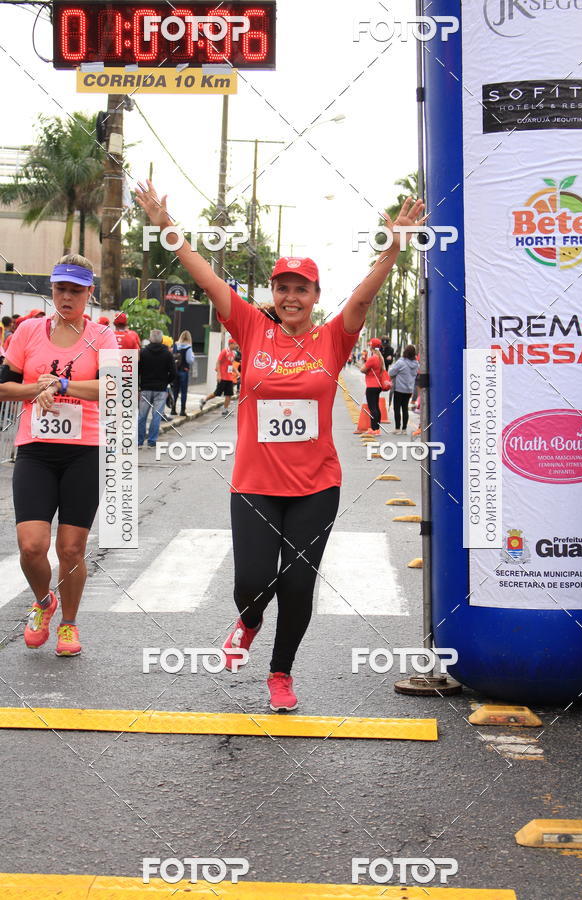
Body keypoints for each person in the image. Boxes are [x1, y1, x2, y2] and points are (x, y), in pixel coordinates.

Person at [136, 180, 425, 711]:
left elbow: (363, 296)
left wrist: (392, 249)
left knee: (296, 586)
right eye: (283, 288)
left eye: (302, 289)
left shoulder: (332, 338)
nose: (291, 297)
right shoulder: (250, 327)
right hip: (254, 484)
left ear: (315, 297)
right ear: (273, 293)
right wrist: (167, 229)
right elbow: (205, 275)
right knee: (252, 581)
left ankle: (281, 673)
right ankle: (247, 621)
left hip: (317, 485)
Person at [0, 254, 118, 656]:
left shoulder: (102, 336)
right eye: (60, 288)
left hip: (84, 451)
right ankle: (44, 602)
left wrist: (63, 383)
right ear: (51, 289)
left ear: (89, 294)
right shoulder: (29, 330)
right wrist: (39, 389)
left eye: (76, 290)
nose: (67, 296)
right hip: (35, 450)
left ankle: (68, 624)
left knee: (70, 548)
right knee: (31, 544)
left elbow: (112, 388)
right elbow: (4, 387)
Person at [138, 328, 176, 447]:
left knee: (142, 415)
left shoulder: (143, 352)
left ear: (150, 339)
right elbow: (173, 372)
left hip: (145, 388)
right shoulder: (167, 354)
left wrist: (139, 384)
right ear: (162, 340)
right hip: (161, 389)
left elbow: (137, 370)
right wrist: (166, 382)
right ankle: (152, 441)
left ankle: (139, 441)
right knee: (156, 415)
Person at [201, 338, 237, 417]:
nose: (236, 346)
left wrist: (237, 372)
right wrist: (219, 375)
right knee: (217, 393)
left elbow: (231, 365)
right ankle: (204, 400)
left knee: (229, 394)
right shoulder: (224, 351)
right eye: (235, 344)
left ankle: (225, 410)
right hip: (223, 377)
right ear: (230, 344)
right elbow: (218, 362)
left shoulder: (234, 353)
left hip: (229, 377)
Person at [389, 344, 419, 434]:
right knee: (405, 408)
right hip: (409, 390)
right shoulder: (416, 364)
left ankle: (397, 428)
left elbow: (391, 372)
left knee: (397, 408)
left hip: (399, 389)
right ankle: (404, 429)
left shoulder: (401, 362)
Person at [360, 337, 386, 435]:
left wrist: (366, 370)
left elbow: (362, 369)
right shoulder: (380, 358)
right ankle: (377, 428)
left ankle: (373, 429)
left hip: (371, 386)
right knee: (376, 407)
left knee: (372, 408)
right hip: (378, 385)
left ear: (372, 347)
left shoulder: (373, 358)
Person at [172, 329, 194, 416]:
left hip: (175, 370)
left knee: (175, 391)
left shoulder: (176, 345)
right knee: (184, 392)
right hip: (184, 371)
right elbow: (189, 360)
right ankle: (182, 410)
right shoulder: (188, 347)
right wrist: (193, 356)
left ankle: (173, 409)